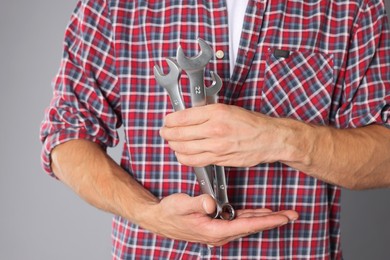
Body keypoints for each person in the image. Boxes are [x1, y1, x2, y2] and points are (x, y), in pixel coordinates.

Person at [40, 0, 390, 259]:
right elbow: (66, 136)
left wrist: (281, 139)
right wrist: (148, 213)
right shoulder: (113, 7)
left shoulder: (351, 7)